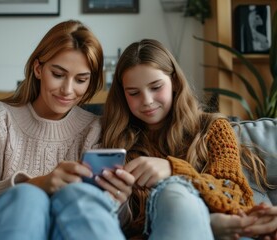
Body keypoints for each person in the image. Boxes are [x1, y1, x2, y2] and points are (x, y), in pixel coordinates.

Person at [0, 20, 135, 240]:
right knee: (29, 197)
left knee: (78, 199)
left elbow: (102, 219)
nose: (67, 90)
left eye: (81, 80)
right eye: (58, 74)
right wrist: (33, 184)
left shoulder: (96, 129)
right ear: (38, 69)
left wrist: (119, 201)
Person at [100, 39, 277, 239]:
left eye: (156, 87)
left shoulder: (213, 128)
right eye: (134, 93)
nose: (147, 101)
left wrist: (174, 170)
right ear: (123, 95)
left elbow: (233, 193)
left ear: (174, 81)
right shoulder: (117, 139)